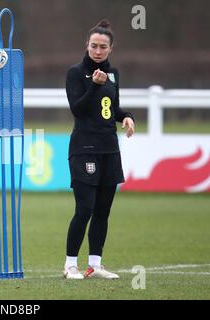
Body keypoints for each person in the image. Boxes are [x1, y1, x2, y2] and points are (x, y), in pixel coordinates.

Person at [63, 20, 135, 279]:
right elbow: (78, 109)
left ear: (110, 49)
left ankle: (95, 264)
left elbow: (111, 108)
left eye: (103, 47)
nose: (98, 51)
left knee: (103, 211)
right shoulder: (76, 73)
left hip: (109, 149)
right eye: (94, 46)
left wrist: (126, 116)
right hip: (84, 148)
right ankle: (70, 265)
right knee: (85, 208)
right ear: (87, 46)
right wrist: (93, 85)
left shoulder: (113, 73)